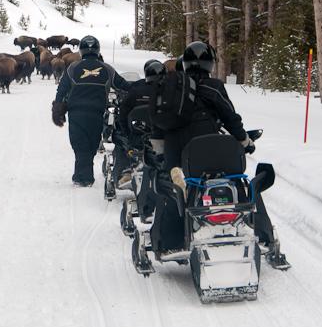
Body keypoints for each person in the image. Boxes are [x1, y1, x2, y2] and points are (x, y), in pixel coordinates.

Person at [152, 41, 255, 254]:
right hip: (204, 145)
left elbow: (159, 123)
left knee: (173, 189)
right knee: (229, 179)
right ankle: (243, 227)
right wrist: (245, 141)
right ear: (210, 64)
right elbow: (230, 117)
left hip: (174, 147)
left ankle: (169, 243)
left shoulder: (171, 86)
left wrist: (160, 152)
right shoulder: (213, 86)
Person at [52, 35, 132, 187]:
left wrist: (58, 109)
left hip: (76, 113)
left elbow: (62, 90)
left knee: (79, 143)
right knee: (92, 144)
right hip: (96, 113)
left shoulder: (73, 68)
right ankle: (82, 175)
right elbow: (124, 86)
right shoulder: (107, 69)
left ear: (81, 50)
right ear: (97, 50)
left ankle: (84, 177)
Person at [112, 59, 167, 189]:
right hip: (162, 139)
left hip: (138, 137)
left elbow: (123, 115)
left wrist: (128, 133)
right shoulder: (169, 94)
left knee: (120, 140)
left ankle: (124, 170)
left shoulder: (136, 91)